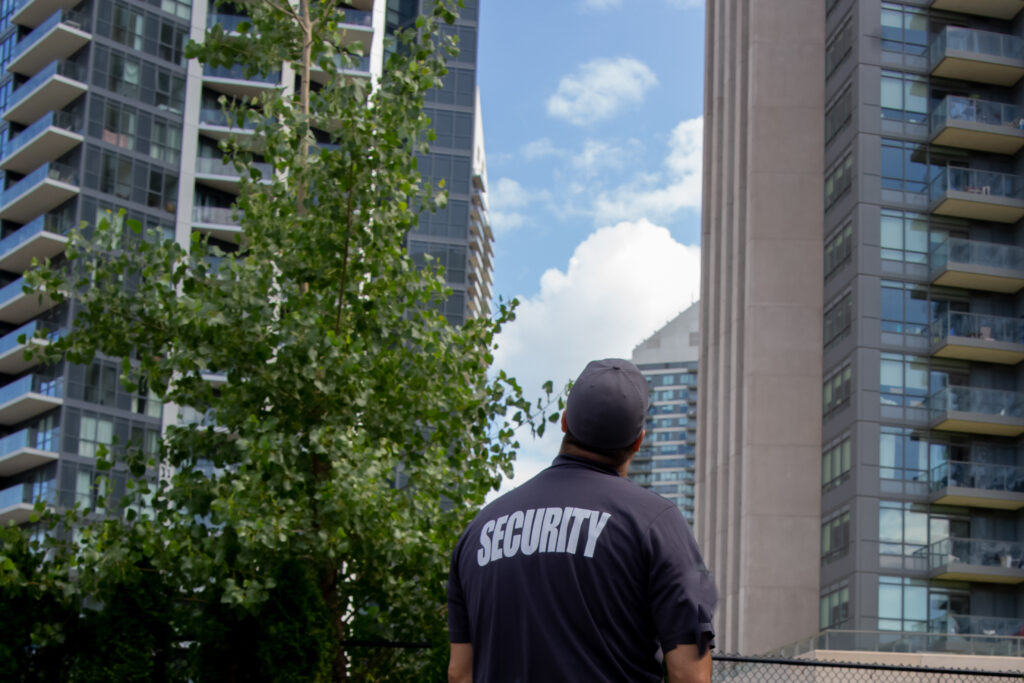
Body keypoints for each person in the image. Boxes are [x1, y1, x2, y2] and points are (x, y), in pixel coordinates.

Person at [447, 358, 717, 683]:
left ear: (564, 422)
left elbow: (460, 673)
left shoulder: (479, 531)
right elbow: (690, 675)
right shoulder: (658, 524)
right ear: (638, 442)